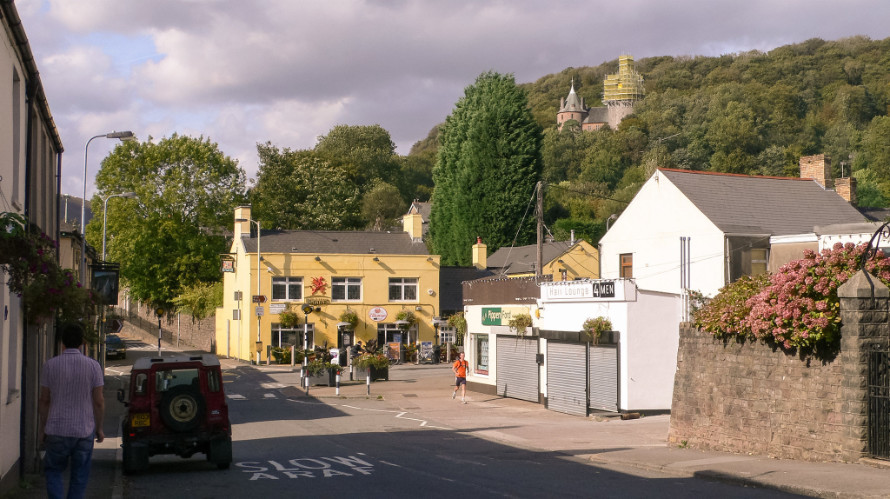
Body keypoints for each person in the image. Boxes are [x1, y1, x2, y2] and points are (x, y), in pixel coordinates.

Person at [38, 323, 105, 499]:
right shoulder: (94, 366)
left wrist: (43, 428)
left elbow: (44, 400)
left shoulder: (50, 366)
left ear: (62, 342)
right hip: (84, 430)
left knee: (53, 470)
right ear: (82, 342)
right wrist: (99, 428)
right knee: (80, 475)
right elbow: (98, 401)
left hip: (56, 428)